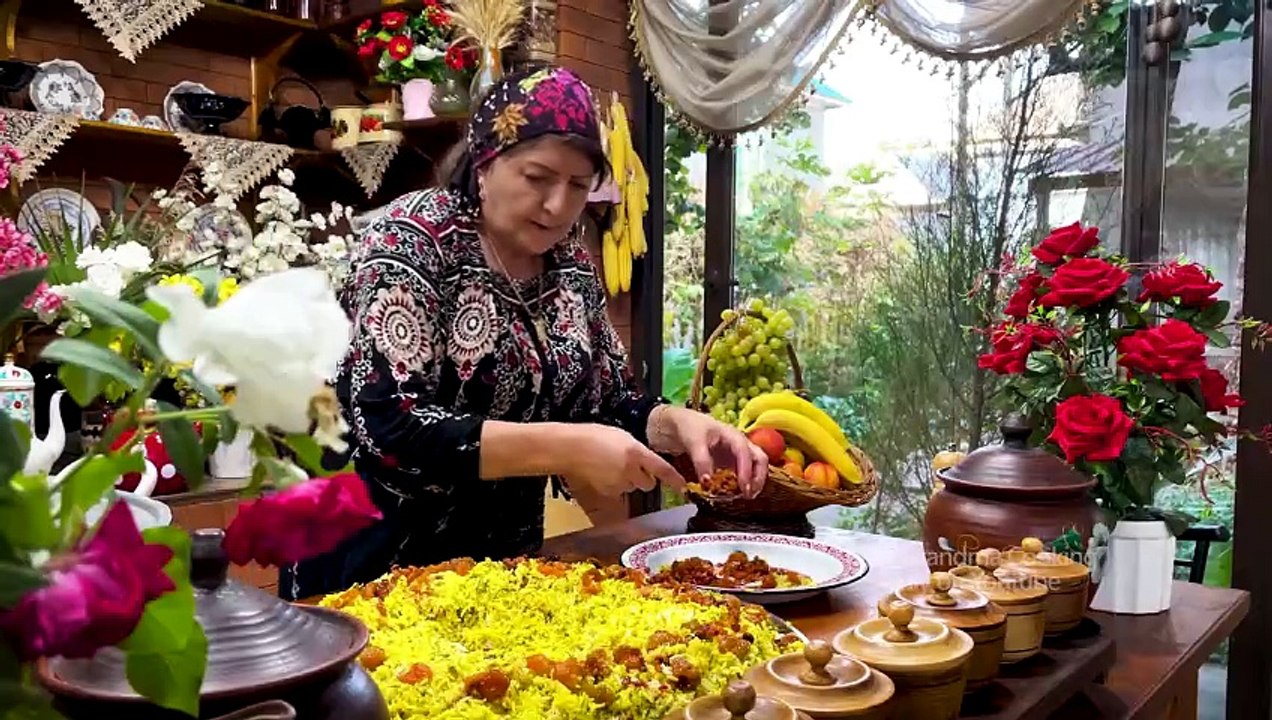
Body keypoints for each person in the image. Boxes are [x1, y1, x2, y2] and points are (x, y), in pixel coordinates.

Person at [280, 66, 767, 600]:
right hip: (363, 559)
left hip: (494, 567)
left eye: (578, 186)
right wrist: (564, 447)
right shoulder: (414, 239)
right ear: (485, 163)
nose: (558, 206)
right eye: (538, 178)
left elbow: (605, 400)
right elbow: (391, 424)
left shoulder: (570, 267)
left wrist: (675, 423)